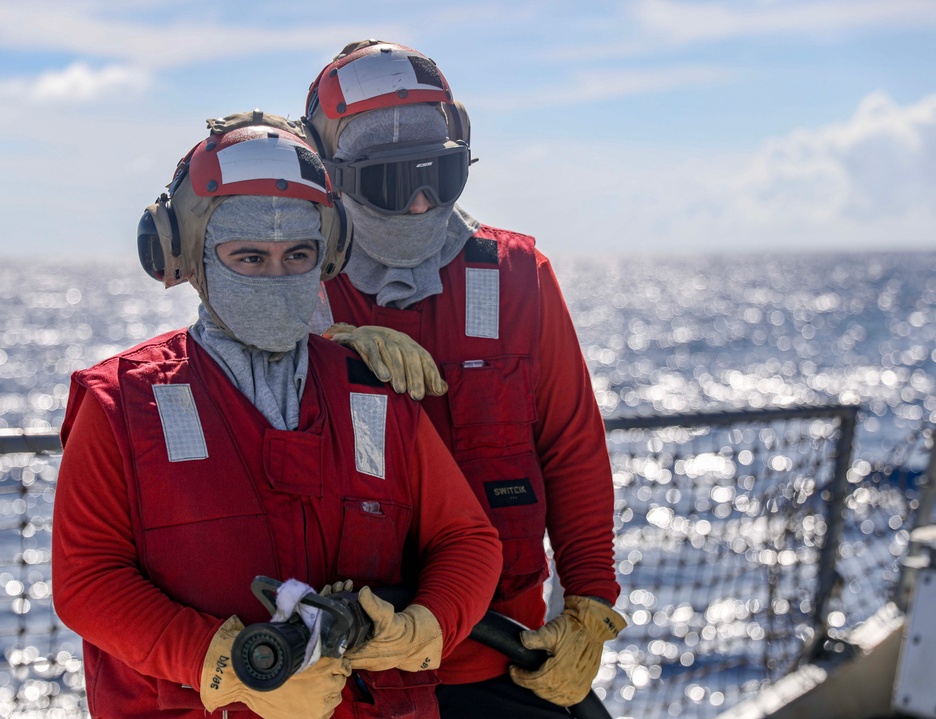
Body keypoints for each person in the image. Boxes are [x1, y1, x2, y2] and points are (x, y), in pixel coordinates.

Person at [51, 114, 502, 719]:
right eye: (249, 257)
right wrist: (225, 665)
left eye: (298, 254)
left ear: (328, 255)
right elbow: (87, 581)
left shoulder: (373, 392)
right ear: (189, 256)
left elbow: (466, 540)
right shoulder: (122, 405)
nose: (277, 276)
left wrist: (425, 626)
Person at [303, 40, 626, 716]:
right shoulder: (295, 288)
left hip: (502, 655)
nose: (420, 205)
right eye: (393, 182)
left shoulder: (516, 278)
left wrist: (589, 602)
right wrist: (321, 347)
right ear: (332, 176)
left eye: (439, 177)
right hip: (355, 676)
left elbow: (571, 448)